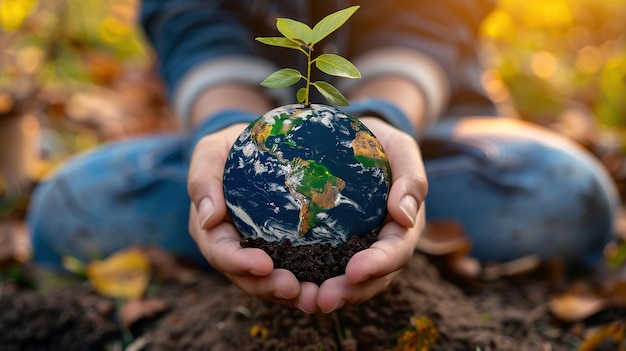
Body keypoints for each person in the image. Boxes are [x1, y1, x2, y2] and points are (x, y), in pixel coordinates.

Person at [27, 1, 620, 314]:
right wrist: (228, 132)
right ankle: (229, 220)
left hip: (419, 122)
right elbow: (192, 22)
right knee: (67, 207)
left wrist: (383, 123)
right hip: (242, 135)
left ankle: (402, 222)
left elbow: (433, 18)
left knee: (567, 192)